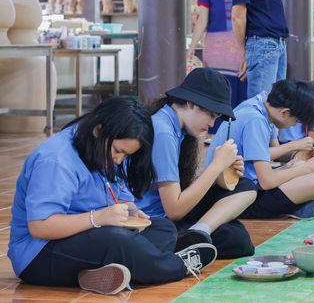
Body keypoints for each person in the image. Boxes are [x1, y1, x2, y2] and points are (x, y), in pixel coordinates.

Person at [8, 98, 215, 295]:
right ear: (99, 130)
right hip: (39, 255)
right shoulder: (56, 159)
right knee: (116, 240)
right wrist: (98, 218)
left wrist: (132, 212)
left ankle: (95, 275)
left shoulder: (102, 148)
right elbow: (40, 226)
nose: (119, 160)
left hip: (88, 237)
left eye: (126, 155)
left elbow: (119, 193)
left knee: (162, 228)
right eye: (118, 151)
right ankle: (177, 265)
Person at [137, 69, 257, 259]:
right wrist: (216, 166)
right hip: (156, 221)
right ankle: (195, 236)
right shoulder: (163, 131)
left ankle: (198, 232)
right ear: (191, 104)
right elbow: (174, 210)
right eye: (211, 115)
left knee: (246, 187)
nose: (211, 124)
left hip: (169, 215)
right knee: (235, 238)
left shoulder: (178, 129)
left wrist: (223, 174)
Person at [206, 79, 314, 220]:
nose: (293, 126)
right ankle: (288, 207)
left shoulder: (261, 104)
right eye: (296, 121)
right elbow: (267, 181)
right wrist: (308, 167)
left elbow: (273, 152)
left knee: (302, 168)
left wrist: (300, 157)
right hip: (237, 197)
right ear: (284, 112)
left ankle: (292, 206)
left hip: (246, 185)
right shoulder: (255, 120)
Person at [187, 0, 247, 109]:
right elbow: (202, 21)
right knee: (218, 88)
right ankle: (215, 129)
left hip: (239, 46)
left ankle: (235, 127)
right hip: (216, 49)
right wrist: (192, 47)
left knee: (240, 85)